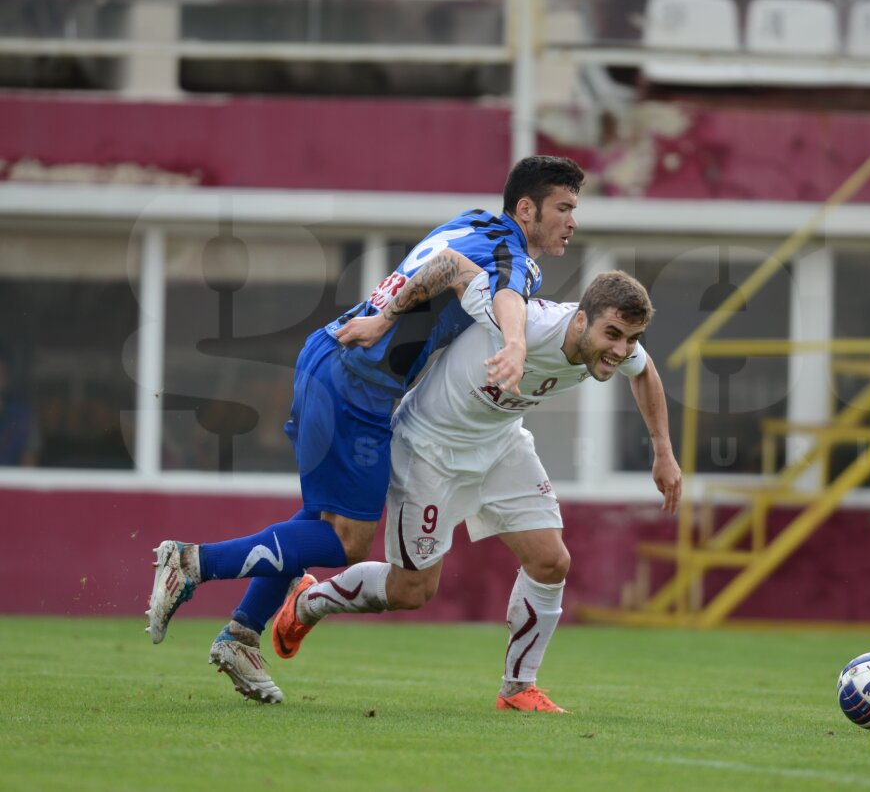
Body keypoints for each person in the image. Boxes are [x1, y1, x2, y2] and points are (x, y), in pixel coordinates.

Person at [146, 156, 586, 704]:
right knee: (347, 540)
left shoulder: (475, 220)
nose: (572, 221)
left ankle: (240, 635)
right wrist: (504, 342)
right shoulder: (509, 255)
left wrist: (387, 313)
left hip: (329, 354)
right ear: (527, 209)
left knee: (316, 519)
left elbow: (444, 260)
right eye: (563, 208)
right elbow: (451, 268)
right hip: (360, 385)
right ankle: (191, 562)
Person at [270, 266, 682, 713]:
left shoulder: (615, 352)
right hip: (430, 449)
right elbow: (469, 279)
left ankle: (518, 687)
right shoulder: (534, 325)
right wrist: (392, 318)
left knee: (551, 561)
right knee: (412, 591)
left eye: (631, 338)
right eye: (613, 334)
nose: (621, 350)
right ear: (581, 321)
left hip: (500, 445)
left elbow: (645, 372)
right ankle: (309, 601)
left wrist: (662, 450)